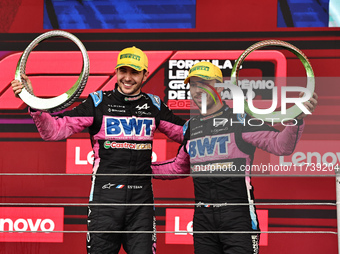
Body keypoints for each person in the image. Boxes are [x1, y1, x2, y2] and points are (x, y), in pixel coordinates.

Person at [11, 46, 186, 254]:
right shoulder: (98, 102)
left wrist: (219, 124)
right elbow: (55, 131)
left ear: (145, 74)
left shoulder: (153, 105)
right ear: (116, 71)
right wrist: (33, 102)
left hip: (141, 207)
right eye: (123, 71)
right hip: (105, 204)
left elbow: (186, 134)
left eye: (134, 72)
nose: (127, 78)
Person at [152, 61, 318, 254]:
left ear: (221, 88)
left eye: (206, 83)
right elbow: (178, 167)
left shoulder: (240, 120)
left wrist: (297, 119)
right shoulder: (191, 127)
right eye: (194, 84)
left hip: (238, 217)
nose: (199, 90)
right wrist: (140, 169)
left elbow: (281, 146)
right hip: (203, 219)